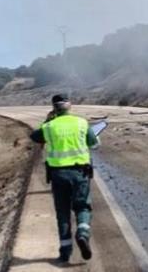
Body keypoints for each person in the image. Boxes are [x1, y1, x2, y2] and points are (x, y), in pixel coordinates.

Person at [30, 94, 100, 263]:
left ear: (54, 108)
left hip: (58, 175)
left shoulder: (49, 126)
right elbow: (95, 144)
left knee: (62, 214)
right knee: (82, 207)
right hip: (80, 173)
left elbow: (34, 136)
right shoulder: (82, 123)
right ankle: (82, 233)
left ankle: (65, 253)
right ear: (70, 106)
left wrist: (48, 121)